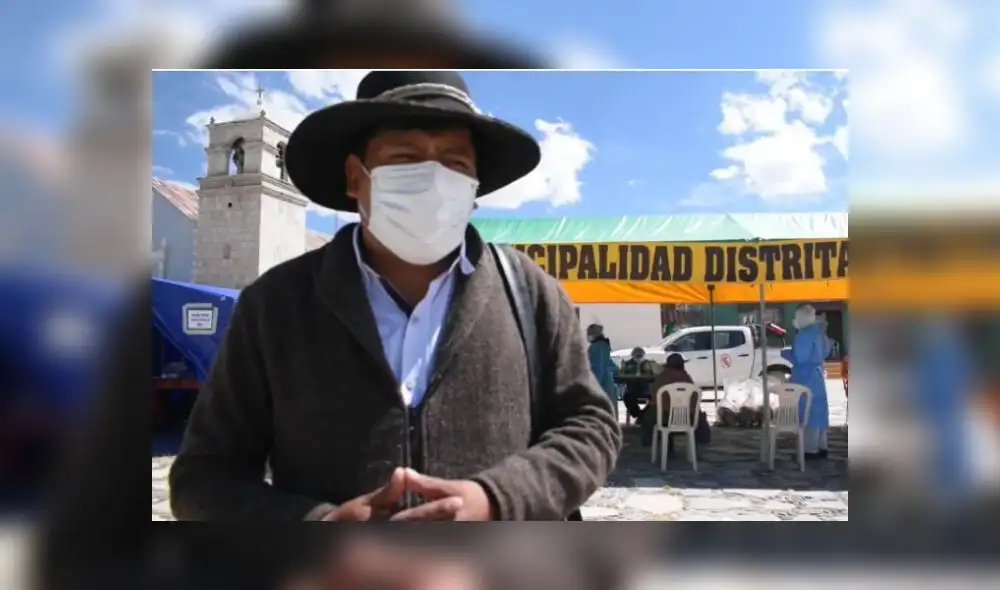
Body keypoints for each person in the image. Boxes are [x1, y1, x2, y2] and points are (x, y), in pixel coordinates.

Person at [168, 70, 621, 521]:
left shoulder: (529, 291)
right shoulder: (274, 305)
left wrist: (497, 499)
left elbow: (589, 425)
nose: (433, 179)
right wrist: (319, 525)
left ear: (475, 185)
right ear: (355, 177)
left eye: (455, 163)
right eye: (405, 158)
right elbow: (204, 477)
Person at [781, 304, 832, 459]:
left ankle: (809, 450)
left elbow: (800, 359)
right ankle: (822, 446)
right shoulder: (819, 333)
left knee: (807, 413)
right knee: (820, 413)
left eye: (797, 317)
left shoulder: (803, 335)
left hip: (806, 377)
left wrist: (786, 354)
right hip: (817, 377)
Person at [640, 353, 699, 448]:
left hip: (664, 418)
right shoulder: (687, 378)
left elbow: (654, 396)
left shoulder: (662, 377)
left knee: (649, 415)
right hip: (687, 418)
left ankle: (649, 443)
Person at [585, 323, 619, 419]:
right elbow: (609, 364)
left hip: (601, 384)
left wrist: (594, 386)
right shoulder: (604, 346)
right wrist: (618, 371)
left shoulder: (595, 348)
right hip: (607, 384)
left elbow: (597, 368)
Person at [620, 347, 657, 422]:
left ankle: (643, 415)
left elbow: (653, 375)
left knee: (656, 399)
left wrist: (652, 368)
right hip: (632, 390)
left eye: (641, 355)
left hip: (646, 390)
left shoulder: (648, 363)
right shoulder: (628, 364)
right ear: (632, 355)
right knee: (626, 397)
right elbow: (622, 376)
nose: (639, 357)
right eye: (637, 355)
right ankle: (639, 415)